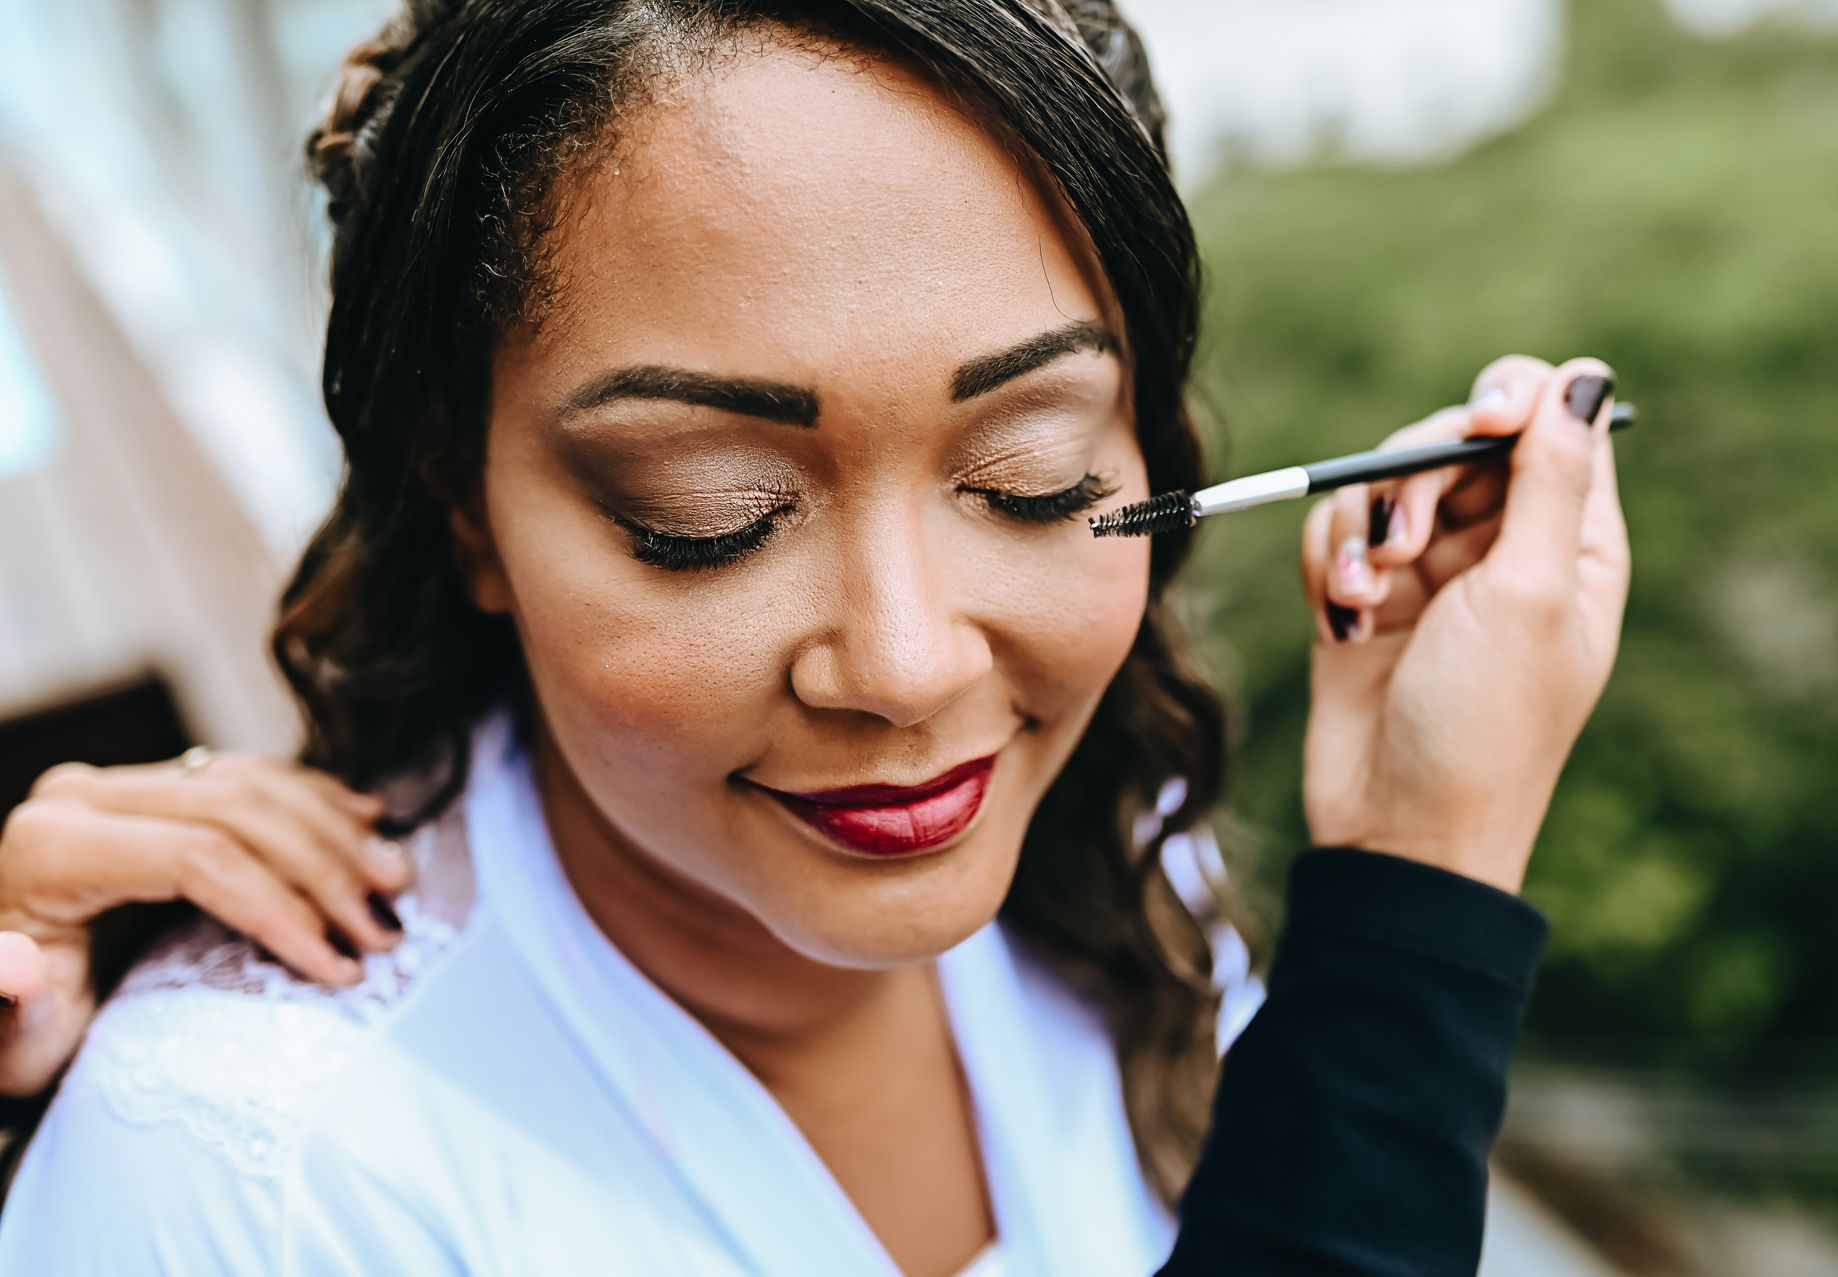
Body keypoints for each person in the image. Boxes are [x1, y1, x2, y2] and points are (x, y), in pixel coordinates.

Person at [0, 1, 1629, 1274]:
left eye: (1031, 477)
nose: (913, 667)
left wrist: (1416, 845)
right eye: (711, 514)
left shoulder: (1111, 863)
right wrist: (1419, 900)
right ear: (466, 506)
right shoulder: (250, 1176)